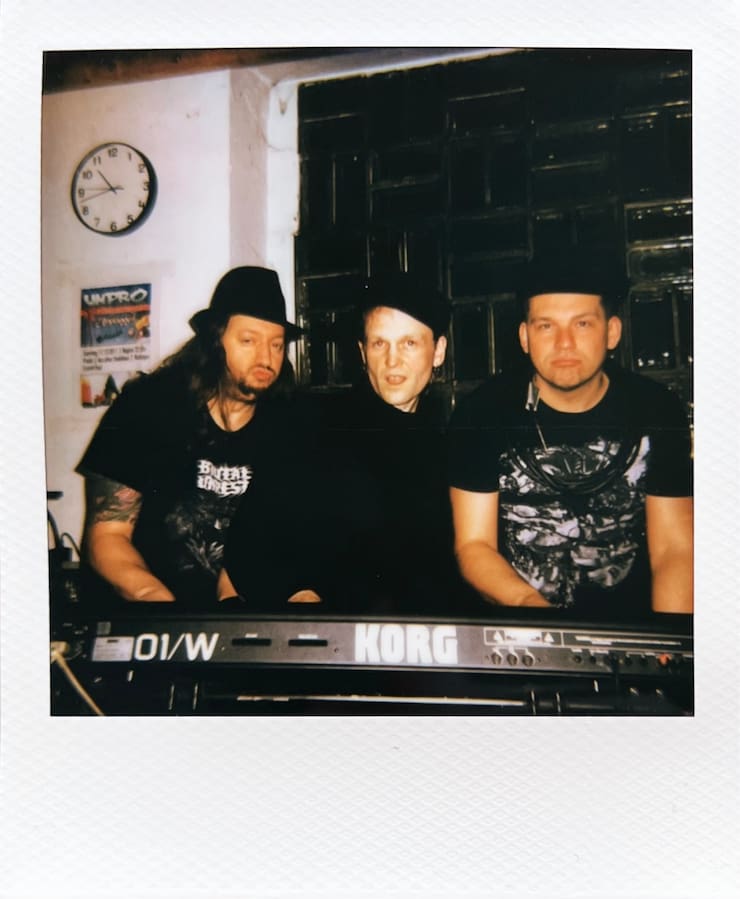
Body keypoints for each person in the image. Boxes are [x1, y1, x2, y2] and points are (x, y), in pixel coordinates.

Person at [219, 271, 487, 615]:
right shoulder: (314, 427)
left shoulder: (448, 447)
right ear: (362, 353)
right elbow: (249, 542)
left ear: (438, 352)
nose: (393, 361)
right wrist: (297, 592)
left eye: (409, 343)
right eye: (379, 343)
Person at [448, 259, 693, 619]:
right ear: (524, 337)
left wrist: (671, 650)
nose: (564, 343)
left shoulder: (657, 410)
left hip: (633, 626)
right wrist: (543, 619)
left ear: (611, 332)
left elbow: (675, 548)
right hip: (520, 627)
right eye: (546, 326)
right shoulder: (480, 414)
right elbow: (474, 545)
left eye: (582, 323)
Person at [76, 265, 305, 611]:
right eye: (248, 340)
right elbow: (107, 537)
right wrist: (162, 609)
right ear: (215, 340)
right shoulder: (147, 408)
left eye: (276, 345)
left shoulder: (291, 423)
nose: (266, 358)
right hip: (151, 615)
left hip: (240, 623)